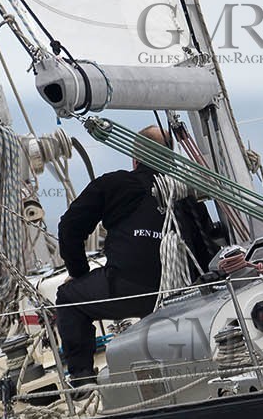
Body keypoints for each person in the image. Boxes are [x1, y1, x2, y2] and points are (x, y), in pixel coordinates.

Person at [53, 126, 220, 387]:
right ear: (170, 158)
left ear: (135, 157)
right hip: (184, 293)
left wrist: (79, 274)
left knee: (68, 299)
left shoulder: (115, 184)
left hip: (131, 289)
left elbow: (69, 228)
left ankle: (83, 380)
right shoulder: (185, 195)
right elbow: (205, 243)